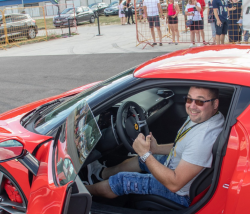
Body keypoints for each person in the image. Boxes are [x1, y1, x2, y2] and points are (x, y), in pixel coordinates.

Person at [86, 86, 224, 207]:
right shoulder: (208, 116)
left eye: (200, 101)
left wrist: (146, 154)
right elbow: (182, 147)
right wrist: (155, 149)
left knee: (122, 180)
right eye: (189, 99)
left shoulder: (203, 138)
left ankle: (85, 191)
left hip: (179, 194)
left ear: (215, 103)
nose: (192, 106)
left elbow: (174, 184)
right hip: (177, 167)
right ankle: (101, 174)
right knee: (140, 160)